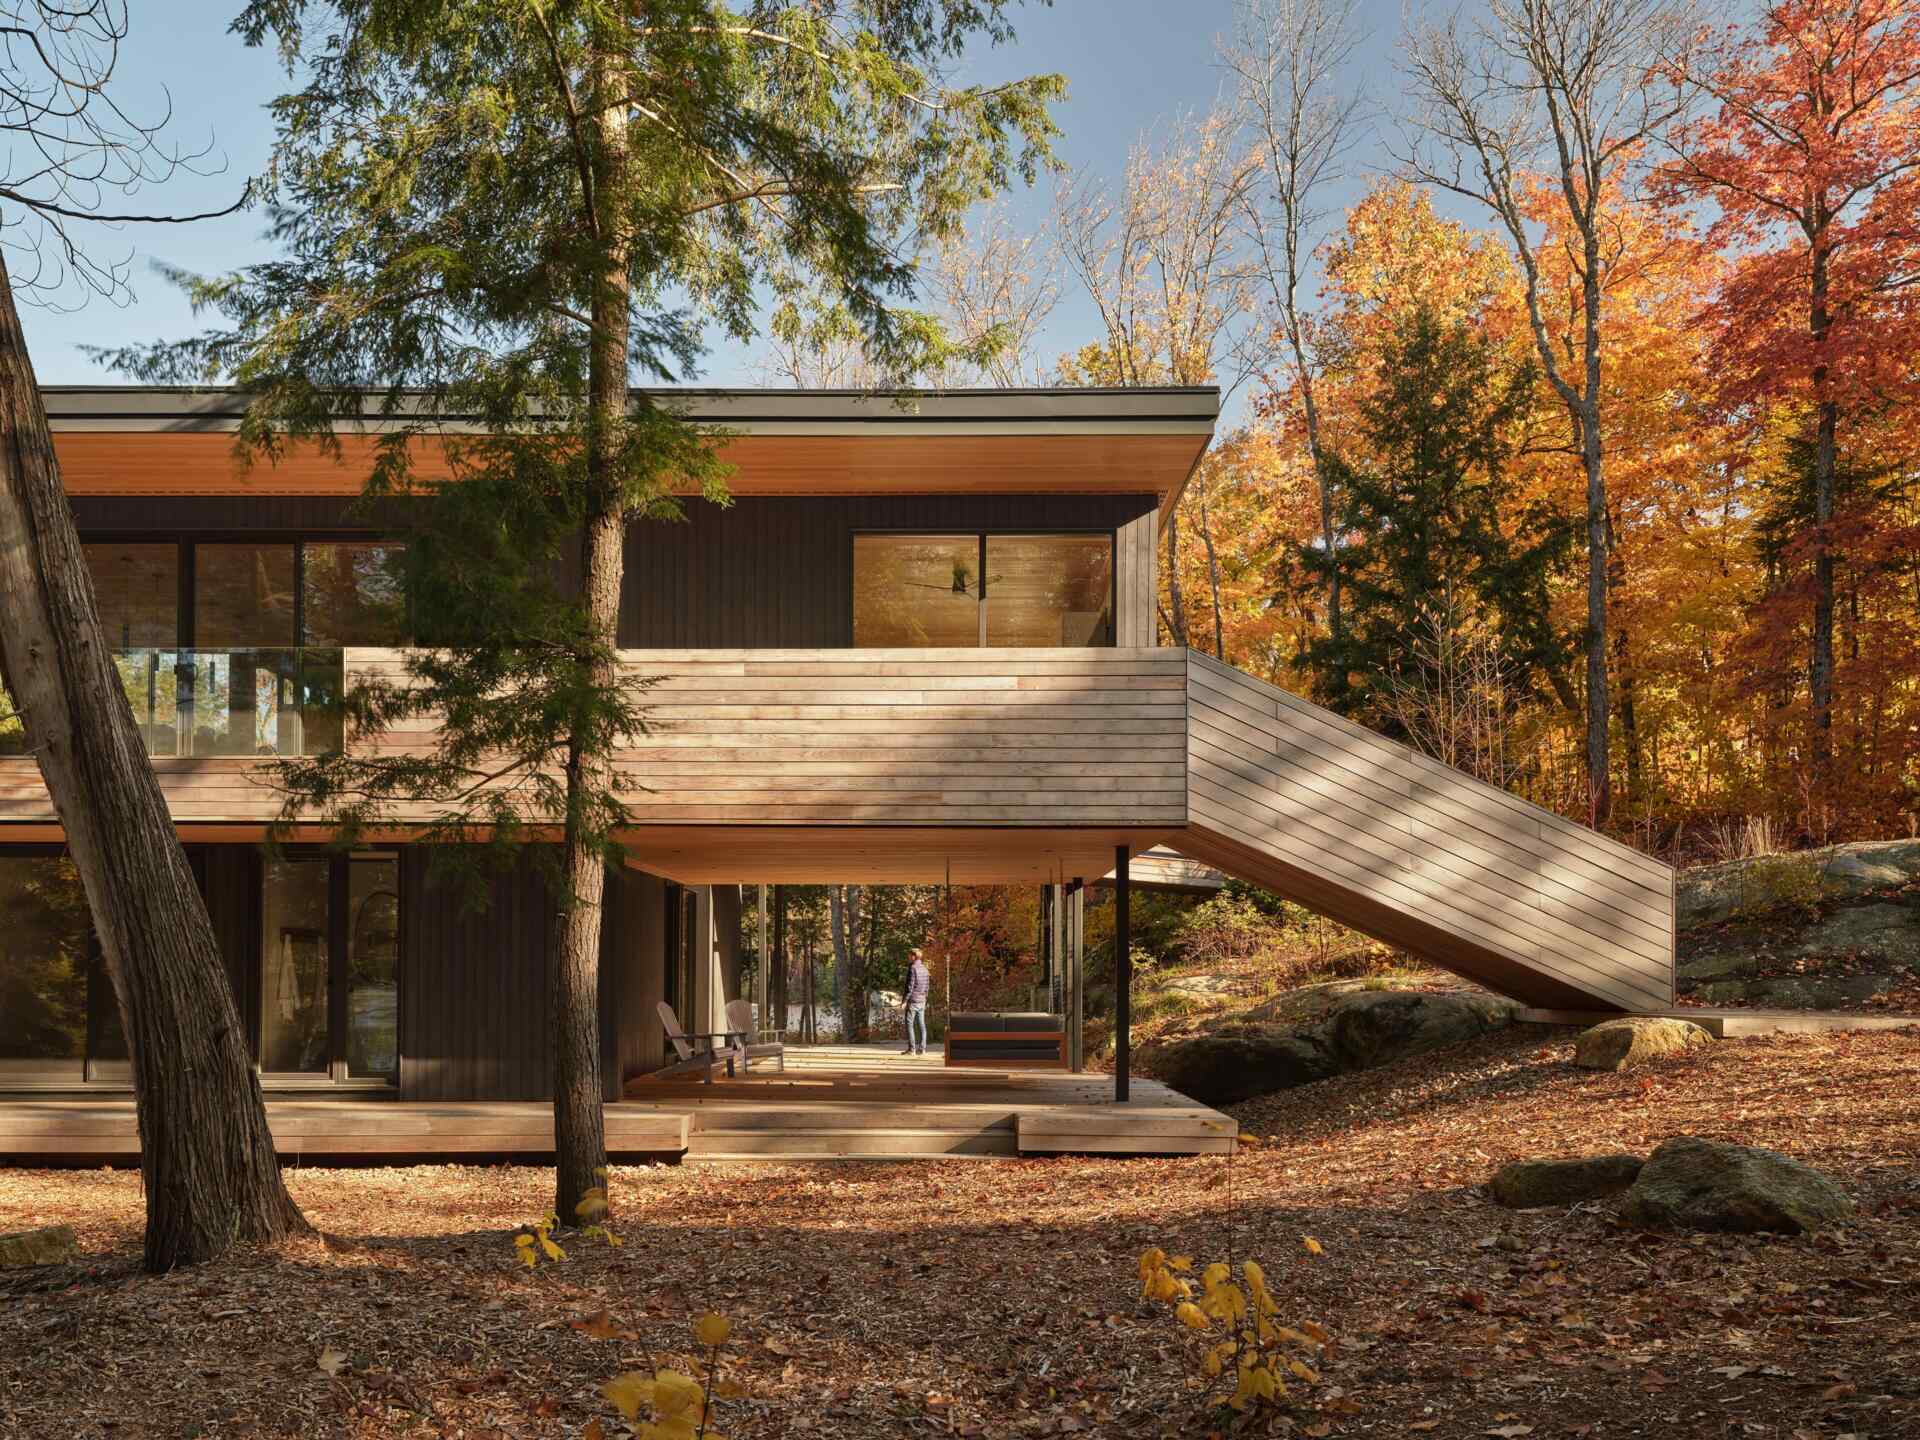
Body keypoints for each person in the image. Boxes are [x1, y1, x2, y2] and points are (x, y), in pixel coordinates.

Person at [901, 949, 932, 1056]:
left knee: (910, 1024)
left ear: (914, 956)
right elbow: (927, 986)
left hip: (913, 1000)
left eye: (909, 956)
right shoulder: (924, 968)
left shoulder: (912, 968)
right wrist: (925, 998)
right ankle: (922, 1049)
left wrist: (905, 1001)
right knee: (921, 1024)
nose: (908, 957)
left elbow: (910, 987)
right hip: (922, 1000)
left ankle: (912, 1049)